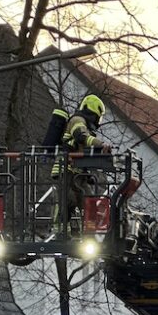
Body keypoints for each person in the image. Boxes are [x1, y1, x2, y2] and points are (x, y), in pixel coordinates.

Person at [50, 94, 110, 236]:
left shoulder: (86, 126)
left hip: (78, 173)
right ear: (94, 111)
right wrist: (100, 144)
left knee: (89, 201)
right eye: (98, 116)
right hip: (66, 169)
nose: (98, 120)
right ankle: (60, 231)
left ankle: (89, 232)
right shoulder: (77, 120)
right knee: (68, 200)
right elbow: (80, 135)